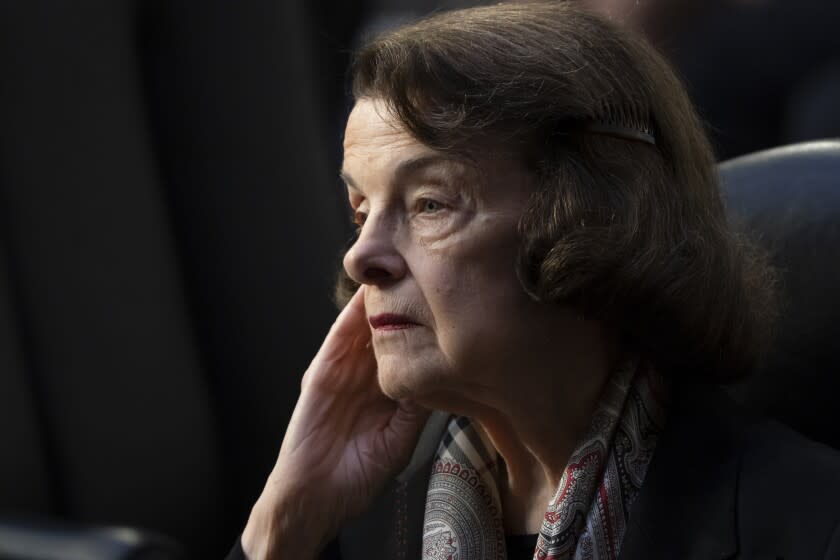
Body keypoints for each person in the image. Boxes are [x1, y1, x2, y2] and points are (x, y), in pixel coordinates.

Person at [229, 3, 840, 559]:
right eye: (361, 212)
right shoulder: (354, 526)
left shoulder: (809, 524)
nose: (360, 258)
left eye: (430, 204)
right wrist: (282, 525)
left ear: (593, 218)